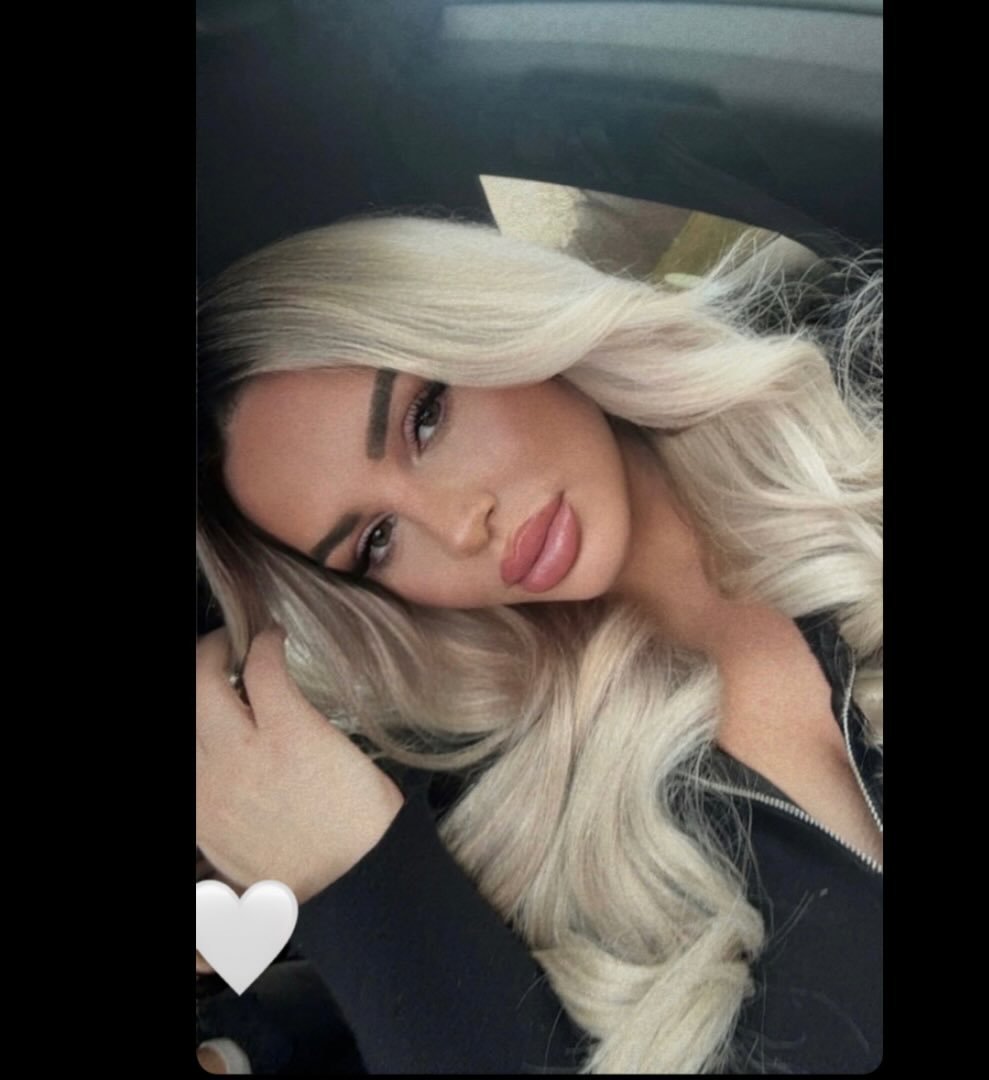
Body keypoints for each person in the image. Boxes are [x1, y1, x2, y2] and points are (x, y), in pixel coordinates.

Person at [196, 212, 882, 1073]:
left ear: (492, 317)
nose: (459, 527)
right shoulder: (534, 850)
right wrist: (354, 884)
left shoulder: (858, 376)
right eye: (376, 540)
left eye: (425, 419)